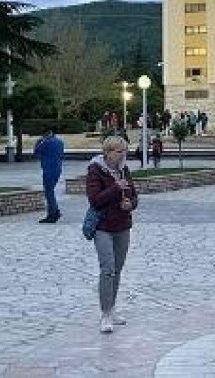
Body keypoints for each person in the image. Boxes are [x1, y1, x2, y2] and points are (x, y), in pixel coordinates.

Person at [86, 138, 139, 334]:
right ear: (107, 152)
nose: (123, 155)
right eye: (118, 151)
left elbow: (134, 196)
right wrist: (116, 187)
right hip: (103, 227)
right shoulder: (96, 171)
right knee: (107, 269)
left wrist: (130, 204)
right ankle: (105, 313)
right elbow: (95, 200)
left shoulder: (124, 170)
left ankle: (112, 307)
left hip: (122, 225)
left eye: (125, 151)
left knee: (117, 269)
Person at [33, 130, 64, 223]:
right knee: (50, 191)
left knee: (49, 192)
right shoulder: (59, 142)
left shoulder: (46, 142)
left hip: (48, 169)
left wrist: (38, 141)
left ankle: (53, 214)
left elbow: (36, 152)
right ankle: (55, 211)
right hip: (57, 168)